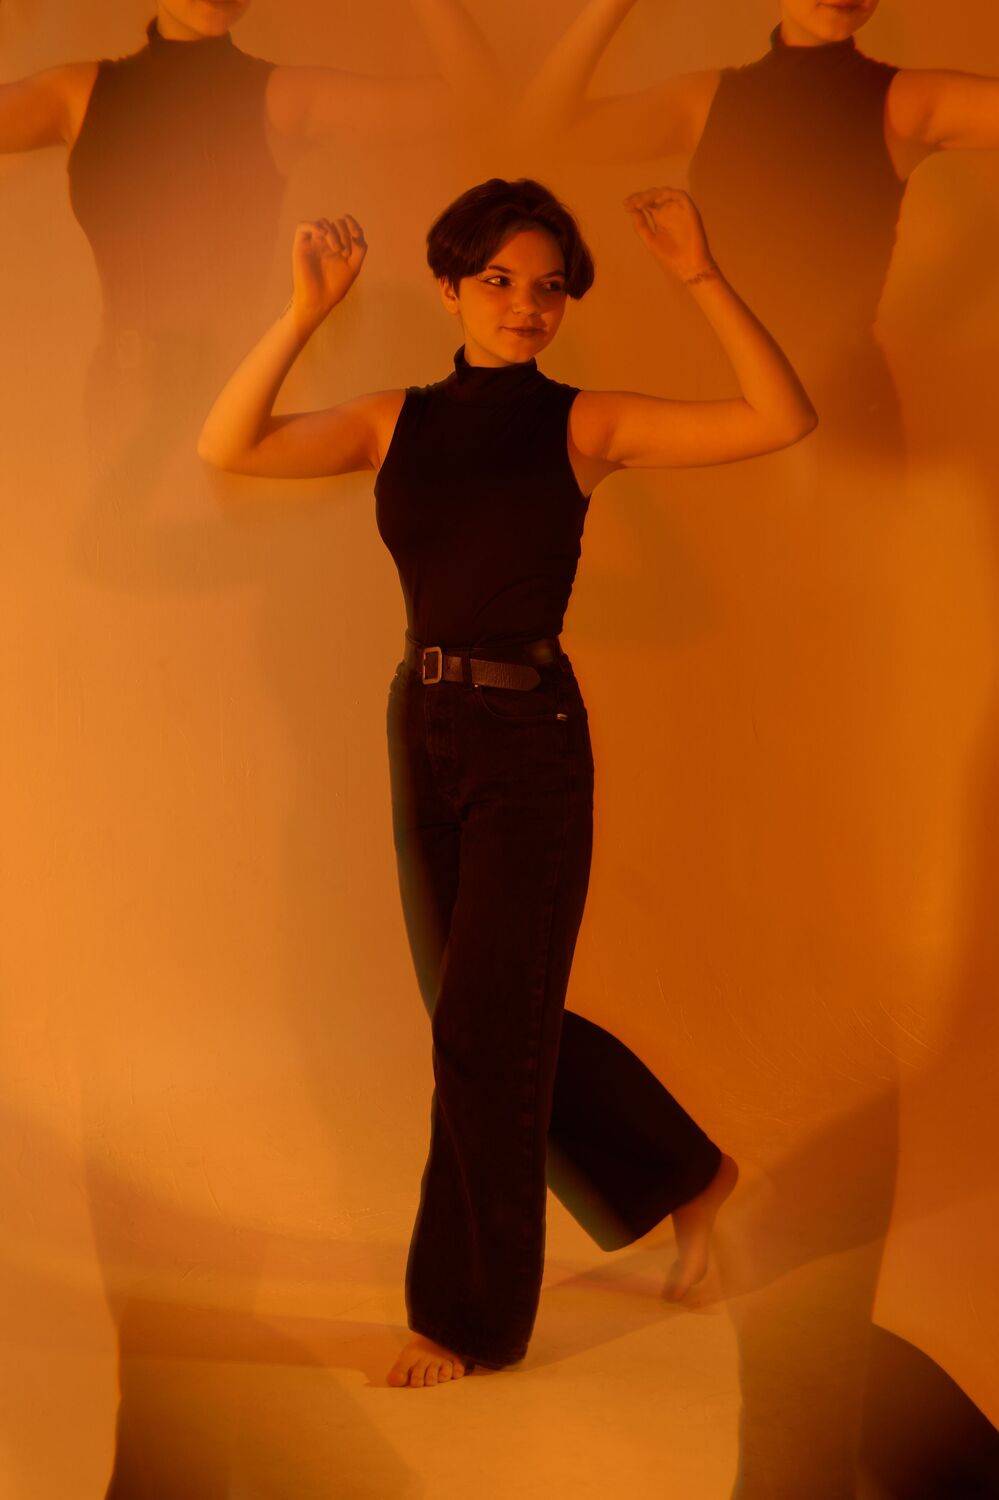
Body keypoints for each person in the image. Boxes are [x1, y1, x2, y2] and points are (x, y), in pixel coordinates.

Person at [197, 176, 816, 1387]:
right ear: (449, 287)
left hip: (530, 733)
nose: (526, 305)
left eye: (549, 287)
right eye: (498, 280)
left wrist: (698, 273)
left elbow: (778, 417)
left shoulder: (586, 424)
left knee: (486, 1026)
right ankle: (688, 1173)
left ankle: (464, 1322)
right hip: (422, 721)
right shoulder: (394, 421)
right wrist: (304, 314)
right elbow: (231, 445)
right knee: (479, 1013)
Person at [515, 0, 999, 460]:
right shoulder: (706, 100)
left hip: (843, 420)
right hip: (717, 409)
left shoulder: (910, 103)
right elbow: (543, 133)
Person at [0, 0, 498, 359]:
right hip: (117, 401)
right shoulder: (77, 94)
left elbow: (475, 101)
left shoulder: (283, 97)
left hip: (228, 389)